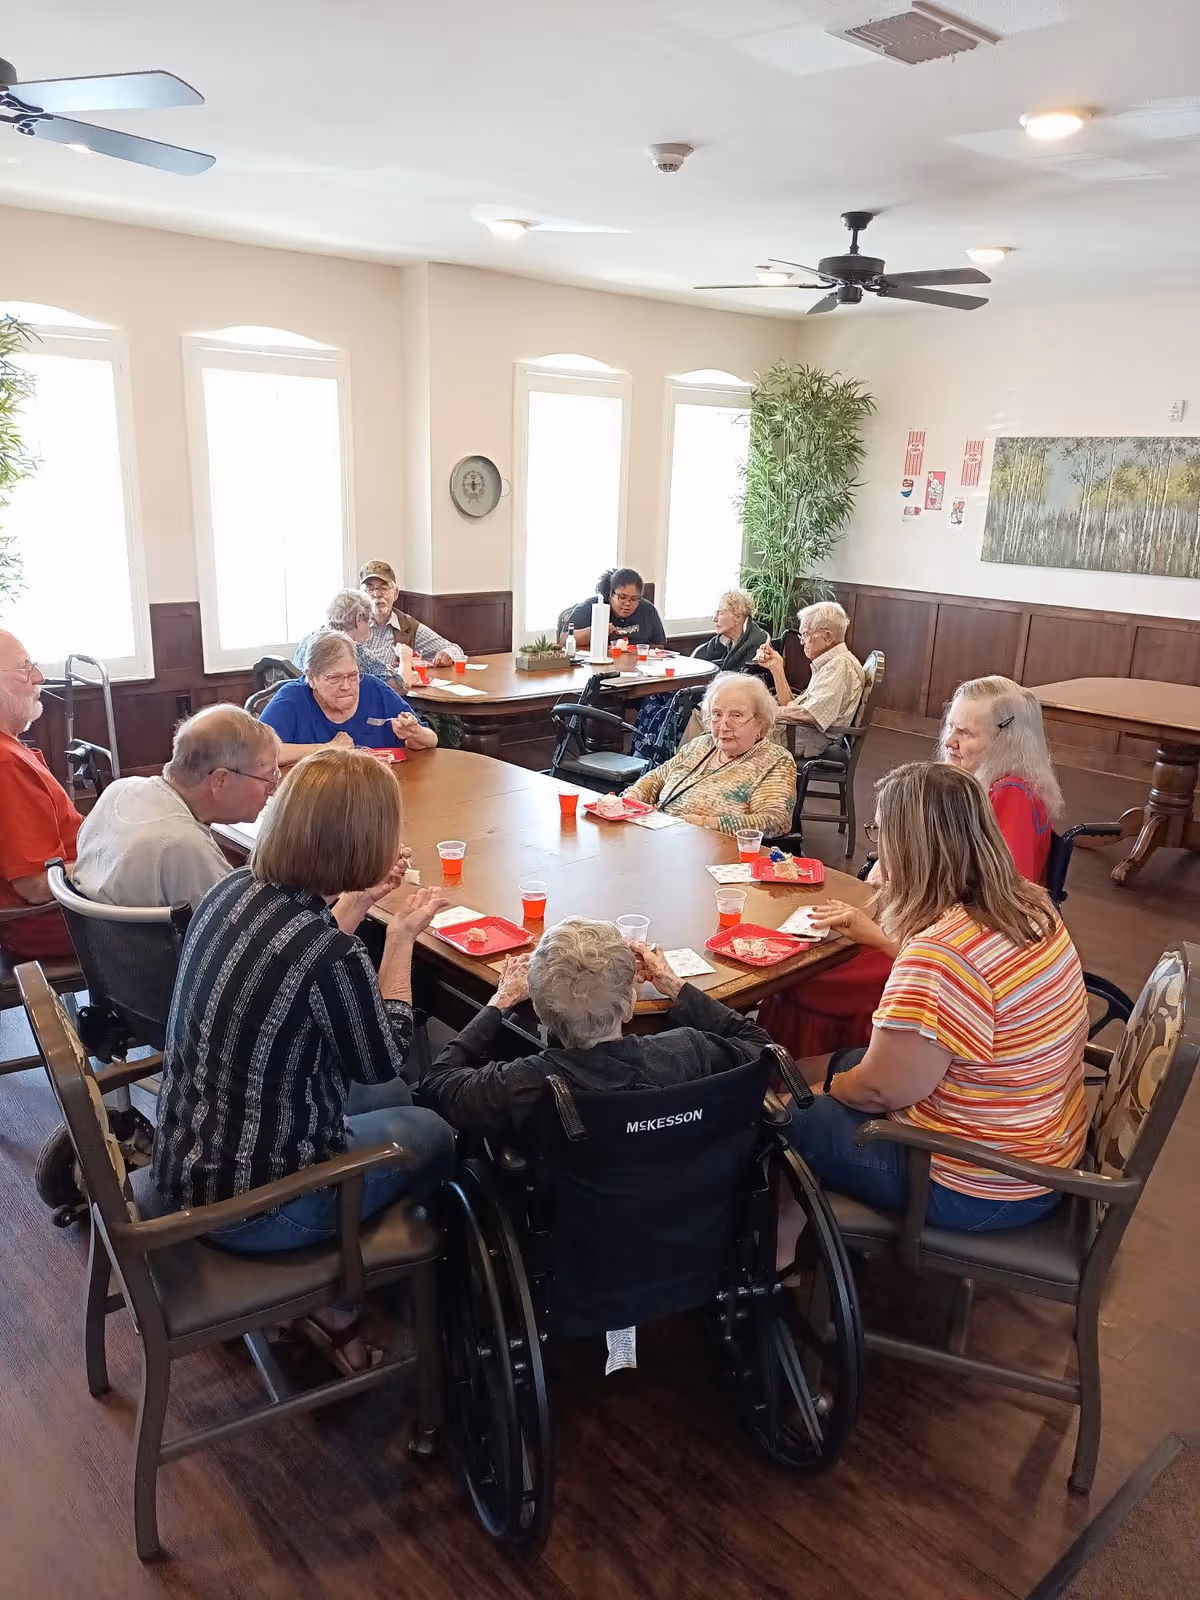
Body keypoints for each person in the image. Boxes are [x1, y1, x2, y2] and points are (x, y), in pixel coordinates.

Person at [152, 748, 457, 1366]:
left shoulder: (233, 890)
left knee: (392, 1103)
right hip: (255, 1208)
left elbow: (302, 967)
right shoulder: (329, 955)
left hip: (189, 1158)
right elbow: (384, 1056)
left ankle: (346, 1272)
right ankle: (342, 1302)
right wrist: (398, 941)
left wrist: (357, 900)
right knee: (434, 1129)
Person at [786, 762, 1088, 1233]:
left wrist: (820, 1096)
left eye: (881, 835)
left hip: (977, 1184)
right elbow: (963, 991)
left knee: (780, 1116)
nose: (874, 855)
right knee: (811, 1070)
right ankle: (795, 1234)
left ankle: (775, 1260)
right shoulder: (1028, 902)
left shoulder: (940, 955)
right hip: (1040, 1145)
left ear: (909, 851)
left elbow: (879, 1090)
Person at [757, 675, 1066, 1059]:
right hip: (932, 925)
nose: (951, 741)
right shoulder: (991, 783)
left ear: (1006, 740)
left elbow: (994, 895)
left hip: (949, 944)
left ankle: (790, 1073)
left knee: (813, 977)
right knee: (820, 956)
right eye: (951, 726)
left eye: (967, 733)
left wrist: (896, 895)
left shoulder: (1011, 795)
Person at [421, 917, 771, 1139]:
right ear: (630, 1004)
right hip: (694, 1223)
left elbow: (438, 1083)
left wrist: (500, 1001)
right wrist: (673, 985)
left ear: (540, 1013)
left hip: (576, 1238)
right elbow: (761, 1046)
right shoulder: (686, 1051)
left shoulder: (526, 1081)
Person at [72, 704, 280, 910]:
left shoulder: (118, 790)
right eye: (268, 778)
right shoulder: (186, 847)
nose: (272, 789)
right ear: (220, 780)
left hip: (107, 940)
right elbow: (236, 929)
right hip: (160, 943)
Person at [621, 671, 796, 837]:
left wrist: (708, 824)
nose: (723, 725)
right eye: (717, 714)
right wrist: (632, 797)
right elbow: (657, 778)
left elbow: (775, 820)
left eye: (736, 715)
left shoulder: (775, 760)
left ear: (760, 722)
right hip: (662, 836)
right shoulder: (702, 744)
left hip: (719, 851)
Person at [0, 629, 81, 961]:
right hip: (53, 923)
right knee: (191, 898)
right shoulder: (5, 763)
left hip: (64, 906)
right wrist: (114, 860)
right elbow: (35, 886)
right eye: (24, 667)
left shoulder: (10, 749)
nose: (38, 676)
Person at [259, 632, 438, 764]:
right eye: (334, 678)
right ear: (311, 678)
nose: (346, 685)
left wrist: (415, 733)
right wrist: (326, 748)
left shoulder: (374, 689)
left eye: (353, 676)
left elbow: (432, 740)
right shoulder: (292, 699)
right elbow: (258, 753)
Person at [756, 601, 864, 758]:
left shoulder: (839, 665)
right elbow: (795, 708)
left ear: (827, 636)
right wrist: (777, 668)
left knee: (736, 731)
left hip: (805, 739)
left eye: (805, 634)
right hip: (798, 732)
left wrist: (767, 712)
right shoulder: (831, 663)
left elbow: (811, 714)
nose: (801, 642)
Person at [294, 588, 413, 692]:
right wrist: (405, 657)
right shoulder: (353, 650)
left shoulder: (308, 639)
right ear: (359, 618)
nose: (369, 628)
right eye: (369, 620)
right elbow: (401, 686)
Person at [358, 559, 465, 672]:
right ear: (361, 596)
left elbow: (454, 649)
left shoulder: (407, 625)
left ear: (396, 593)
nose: (377, 594)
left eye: (384, 588)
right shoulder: (352, 625)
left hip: (394, 689)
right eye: (370, 589)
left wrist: (446, 654)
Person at [558, 567, 667, 652]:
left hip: (638, 669)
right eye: (622, 597)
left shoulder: (647, 610)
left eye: (634, 599)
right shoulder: (592, 607)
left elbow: (658, 646)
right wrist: (596, 630)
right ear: (610, 594)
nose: (628, 603)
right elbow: (564, 639)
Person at [692, 589, 770, 676]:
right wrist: (720, 644)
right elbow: (698, 659)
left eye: (720, 613)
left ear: (737, 617)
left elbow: (740, 678)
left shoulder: (757, 641)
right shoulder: (725, 639)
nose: (714, 619)